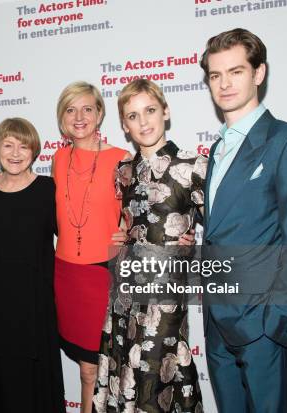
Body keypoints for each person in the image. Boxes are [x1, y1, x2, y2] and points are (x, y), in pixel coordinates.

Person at [199, 28, 287, 413]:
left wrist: (277, 328)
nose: (224, 83)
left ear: (259, 73)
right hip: (217, 323)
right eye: (215, 75)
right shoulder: (217, 149)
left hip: (263, 328)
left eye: (236, 71)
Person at [93, 79, 205, 412]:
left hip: (165, 299)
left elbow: (221, 233)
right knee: (125, 372)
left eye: (150, 111)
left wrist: (194, 244)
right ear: (124, 125)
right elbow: (129, 223)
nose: (143, 122)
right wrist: (122, 236)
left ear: (166, 111)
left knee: (159, 378)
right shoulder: (123, 171)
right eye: (132, 115)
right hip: (124, 294)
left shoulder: (192, 166)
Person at [52, 81, 131, 413]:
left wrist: (130, 229)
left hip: (104, 275)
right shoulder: (58, 158)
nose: (79, 116)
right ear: (62, 118)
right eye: (71, 110)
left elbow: (141, 212)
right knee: (87, 371)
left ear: (99, 114)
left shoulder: (121, 159)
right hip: (67, 275)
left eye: (87, 108)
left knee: (100, 370)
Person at [0, 118, 65, 413]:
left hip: (35, 306)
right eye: (8, 145)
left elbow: (75, 235)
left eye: (23, 146)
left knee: (36, 384)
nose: (15, 153)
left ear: (34, 151)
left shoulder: (47, 189)